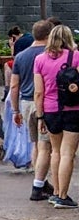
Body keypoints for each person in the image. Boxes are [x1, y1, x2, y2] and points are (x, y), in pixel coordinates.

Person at [31, 23, 79, 208]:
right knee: (68, 153)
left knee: (56, 151)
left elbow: (38, 92)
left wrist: (40, 117)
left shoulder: (40, 59)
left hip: (50, 111)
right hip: (72, 110)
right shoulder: (75, 56)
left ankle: (56, 192)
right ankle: (64, 196)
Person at [11, 20, 50, 190]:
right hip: (45, 102)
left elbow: (14, 86)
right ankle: (40, 183)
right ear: (49, 35)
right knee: (46, 145)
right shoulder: (49, 54)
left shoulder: (21, 56)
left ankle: (38, 176)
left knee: (34, 143)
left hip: (26, 102)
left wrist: (15, 110)